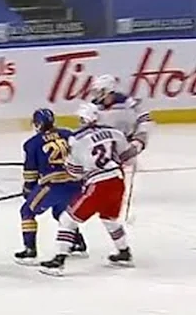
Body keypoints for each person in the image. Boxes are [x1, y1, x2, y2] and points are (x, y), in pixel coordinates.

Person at [39, 103, 139, 276]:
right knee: (109, 218)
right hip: (117, 180)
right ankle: (124, 253)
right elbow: (126, 156)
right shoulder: (114, 132)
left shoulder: (76, 139)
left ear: (84, 119)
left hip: (98, 184)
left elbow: (75, 172)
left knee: (67, 219)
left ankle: (58, 261)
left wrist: (68, 167)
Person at [14, 108, 87, 265]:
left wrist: (28, 189)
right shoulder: (68, 134)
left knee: (27, 211)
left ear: (38, 124)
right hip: (76, 183)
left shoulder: (32, 144)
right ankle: (77, 242)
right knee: (61, 212)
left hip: (53, 185)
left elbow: (30, 173)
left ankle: (30, 250)